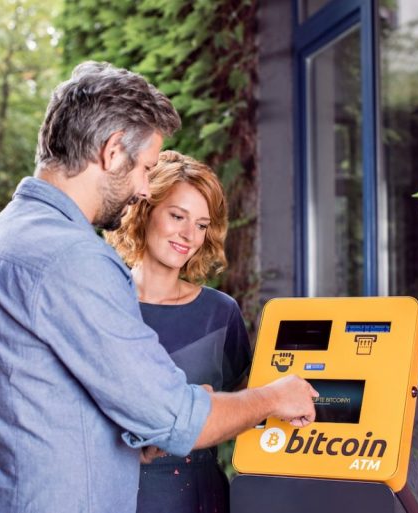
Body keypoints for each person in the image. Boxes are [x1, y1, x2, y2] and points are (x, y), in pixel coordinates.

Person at [0, 61, 318, 513]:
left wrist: (132, 445)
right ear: (112, 151)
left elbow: (32, 407)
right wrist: (274, 397)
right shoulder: (75, 258)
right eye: (145, 168)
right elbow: (176, 419)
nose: (143, 188)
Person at [105, 150, 249, 513]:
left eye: (201, 225)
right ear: (144, 209)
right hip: (116, 494)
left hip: (201, 496)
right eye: (177, 216)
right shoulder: (103, 305)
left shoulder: (221, 313)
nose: (189, 235)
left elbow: (246, 408)